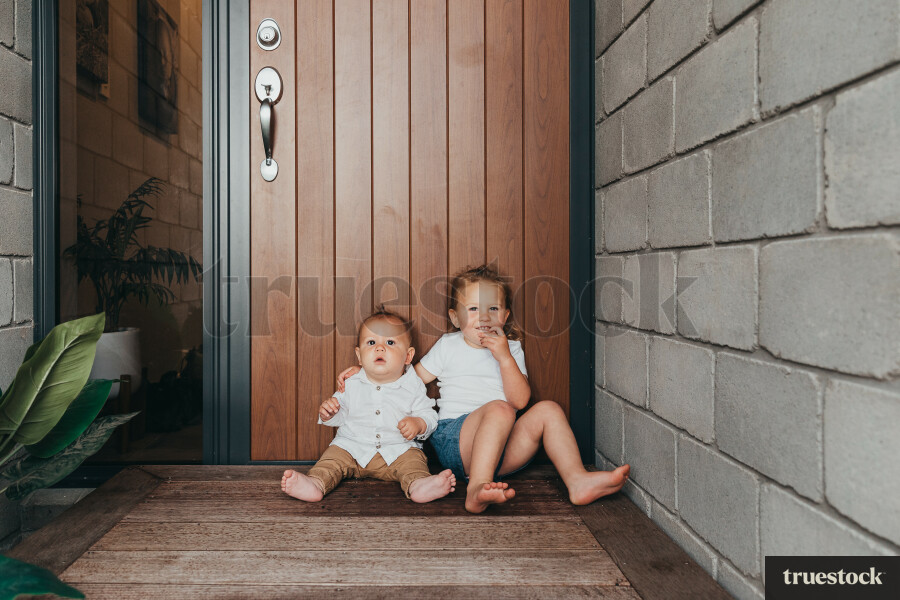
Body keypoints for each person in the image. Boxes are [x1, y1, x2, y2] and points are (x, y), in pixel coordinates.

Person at [339, 265, 630, 513]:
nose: (484, 316)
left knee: (548, 410)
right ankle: (476, 487)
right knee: (499, 410)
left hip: (503, 448)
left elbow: (520, 400)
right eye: (474, 309)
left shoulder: (511, 348)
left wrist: (503, 357)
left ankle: (577, 480)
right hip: (456, 441)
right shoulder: (449, 346)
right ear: (456, 319)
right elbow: (406, 380)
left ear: (504, 317)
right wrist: (367, 374)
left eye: (493, 309)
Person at [282, 308, 456, 503]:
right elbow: (341, 414)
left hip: (397, 449)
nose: (379, 348)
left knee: (414, 463)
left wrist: (419, 423)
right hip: (352, 448)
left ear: (408, 356)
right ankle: (316, 483)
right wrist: (329, 413)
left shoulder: (412, 384)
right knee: (331, 460)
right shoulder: (352, 381)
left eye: (390, 342)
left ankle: (419, 485)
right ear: (359, 355)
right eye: (371, 343)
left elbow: (429, 415)